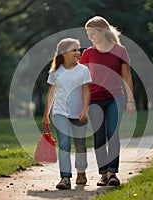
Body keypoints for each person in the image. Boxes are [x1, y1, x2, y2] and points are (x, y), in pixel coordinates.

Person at [80, 16, 136, 186]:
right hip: (95, 100)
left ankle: (113, 173)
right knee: (98, 137)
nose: (90, 38)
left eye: (92, 34)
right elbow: (82, 80)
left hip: (115, 98)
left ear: (102, 32)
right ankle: (103, 174)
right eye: (88, 35)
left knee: (113, 134)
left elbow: (127, 76)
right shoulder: (88, 53)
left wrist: (131, 100)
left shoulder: (120, 51)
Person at [42, 38, 92, 190]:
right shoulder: (56, 72)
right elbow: (51, 94)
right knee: (64, 144)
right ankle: (65, 177)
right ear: (64, 53)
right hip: (60, 112)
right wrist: (46, 115)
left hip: (79, 113)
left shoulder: (83, 70)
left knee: (80, 145)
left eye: (79, 49)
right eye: (74, 50)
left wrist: (85, 109)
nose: (79, 52)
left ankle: (81, 171)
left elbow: (86, 91)